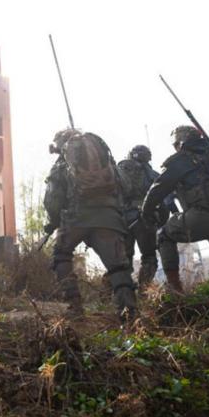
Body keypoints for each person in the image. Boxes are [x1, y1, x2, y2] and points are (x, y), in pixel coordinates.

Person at [141, 125, 209, 297]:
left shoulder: (182, 160)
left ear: (180, 142)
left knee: (163, 236)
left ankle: (175, 289)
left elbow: (158, 189)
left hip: (200, 217)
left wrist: (146, 213)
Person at [43, 128, 138, 321]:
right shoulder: (106, 162)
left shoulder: (62, 165)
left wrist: (52, 222)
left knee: (61, 255)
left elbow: (52, 199)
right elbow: (126, 187)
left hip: (75, 220)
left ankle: (75, 307)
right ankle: (129, 315)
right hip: (109, 220)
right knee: (118, 267)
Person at [117, 145, 163, 290]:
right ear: (148, 158)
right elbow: (163, 200)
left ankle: (119, 292)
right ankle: (143, 291)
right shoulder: (153, 175)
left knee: (122, 259)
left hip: (122, 219)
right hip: (145, 218)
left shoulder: (118, 171)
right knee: (149, 257)